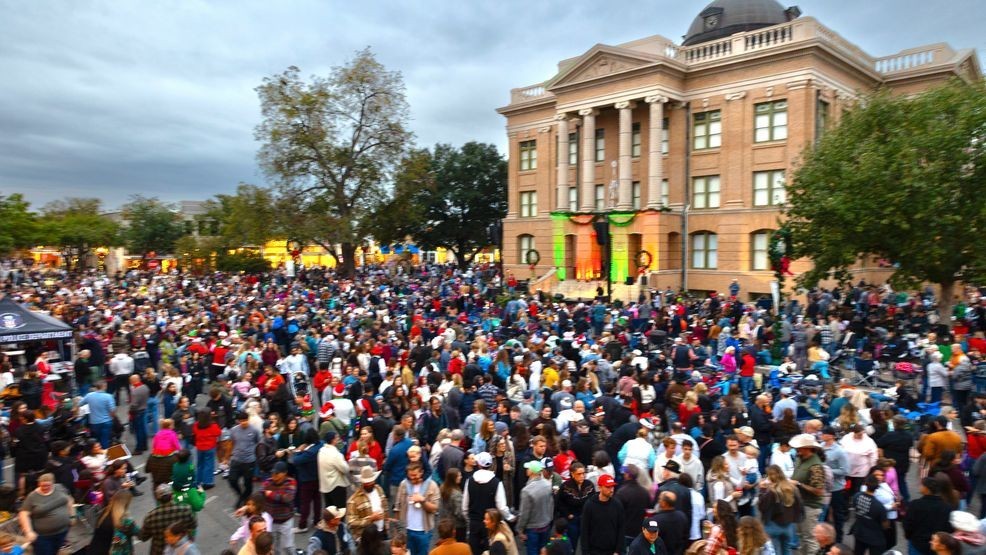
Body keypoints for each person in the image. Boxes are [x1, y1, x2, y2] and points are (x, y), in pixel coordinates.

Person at [462, 451, 512, 555]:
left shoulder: (469, 481)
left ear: (479, 464)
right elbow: (501, 507)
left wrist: (470, 518)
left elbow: (464, 507)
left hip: (474, 522)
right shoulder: (496, 482)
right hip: (491, 524)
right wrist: (509, 517)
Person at [17, 473, 73, 555]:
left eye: (48, 485)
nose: (45, 488)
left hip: (62, 531)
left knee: (55, 552)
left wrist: (72, 516)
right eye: (42, 485)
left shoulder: (60, 488)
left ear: (53, 483)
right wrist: (29, 531)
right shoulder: (32, 496)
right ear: (38, 484)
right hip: (43, 536)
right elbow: (23, 514)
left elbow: (69, 500)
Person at [789, 434, 826, 555]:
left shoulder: (816, 466)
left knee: (809, 538)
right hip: (800, 504)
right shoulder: (800, 459)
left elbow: (819, 490)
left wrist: (799, 484)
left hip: (810, 506)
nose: (796, 450)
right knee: (801, 536)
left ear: (807, 448)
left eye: (799, 448)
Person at [395, 462, 441, 555]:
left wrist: (422, 500)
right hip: (407, 529)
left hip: (424, 531)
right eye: (410, 475)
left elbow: (435, 508)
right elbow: (397, 506)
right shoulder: (404, 484)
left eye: (415, 475)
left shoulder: (432, 485)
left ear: (422, 472)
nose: (412, 477)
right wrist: (398, 530)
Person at [139, 483, 197, 555]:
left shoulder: (151, 516)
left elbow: (143, 537)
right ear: (172, 495)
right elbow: (193, 526)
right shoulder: (186, 509)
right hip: (181, 550)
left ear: (157, 499)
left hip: (158, 551)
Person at [757, 464, 803, 555]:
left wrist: (762, 490)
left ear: (770, 477)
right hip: (788, 526)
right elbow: (799, 506)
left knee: (775, 551)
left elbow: (762, 507)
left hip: (773, 526)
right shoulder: (792, 488)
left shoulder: (772, 492)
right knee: (787, 550)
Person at [903, 477, 955, 555]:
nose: (919, 486)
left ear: (926, 488)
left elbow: (908, 524)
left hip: (917, 543)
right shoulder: (946, 507)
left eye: (921, 485)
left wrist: (909, 536)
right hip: (937, 546)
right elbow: (949, 528)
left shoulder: (915, 504)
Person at [581, 474, 626, 555]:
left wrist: (618, 551)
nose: (611, 490)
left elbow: (621, 528)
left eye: (612, 487)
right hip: (594, 551)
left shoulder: (617, 505)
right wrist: (585, 552)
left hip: (612, 551)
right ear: (600, 487)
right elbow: (584, 530)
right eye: (608, 487)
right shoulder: (590, 505)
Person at [517, 460, 554, 555]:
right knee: (544, 550)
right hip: (546, 525)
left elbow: (524, 513)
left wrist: (520, 529)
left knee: (532, 551)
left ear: (532, 471)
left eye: (528, 468)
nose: (526, 469)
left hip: (533, 528)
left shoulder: (526, 491)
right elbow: (551, 505)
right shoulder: (548, 484)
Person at [292, 428, 324, 533]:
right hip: (317, 478)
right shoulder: (320, 445)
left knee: (305, 503)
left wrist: (298, 451)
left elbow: (296, 461)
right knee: (317, 500)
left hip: (307, 479)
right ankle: (316, 520)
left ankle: (303, 525)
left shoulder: (309, 452)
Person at [89, 490, 140, 555]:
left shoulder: (104, 512)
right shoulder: (122, 522)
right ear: (126, 504)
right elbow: (139, 534)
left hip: (94, 549)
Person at [229, 411, 262, 509]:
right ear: (238, 421)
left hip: (249, 461)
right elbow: (232, 442)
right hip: (236, 459)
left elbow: (258, 442)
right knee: (232, 480)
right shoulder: (234, 430)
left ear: (248, 419)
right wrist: (228, 456)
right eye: (241, 421)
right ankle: (241, 495)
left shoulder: (254, 430)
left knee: (248, 483)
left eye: (245, 420)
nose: (244, 422)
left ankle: (244, 499)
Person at [263, 461, 297, 555]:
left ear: (284, 473)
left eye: (277, 473)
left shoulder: (291, 482)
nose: (274, 475)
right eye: (273, 473)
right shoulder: (268, 482)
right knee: (273, 547)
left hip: (286, 521)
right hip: (272, 521)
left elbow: (287, 498)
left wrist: (271, 494)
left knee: (288, 547)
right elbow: (260, 494)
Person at [347, 466, 388, 544]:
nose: (369, 484)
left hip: (382, 531)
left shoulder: (379, 489)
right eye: (366, 482)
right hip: (366, 537)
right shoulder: (354, 500)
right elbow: (351, 522)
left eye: (370, 481)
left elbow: (384, 506)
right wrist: (370, 519)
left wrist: (386, 521)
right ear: (362, 482)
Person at [850, 475, 887, 555]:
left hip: (859, 533)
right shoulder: (879, 506)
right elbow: (885, 525)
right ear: (877, 487)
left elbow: (855, 508)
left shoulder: (856, 496)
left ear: (866, 484)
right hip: (875, 538)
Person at [319, 432, 351, 511]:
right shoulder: (335, 454)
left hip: (325, 485)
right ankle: (340, 524)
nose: (338, 439)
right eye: (337, 437)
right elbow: (345, 469)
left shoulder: (321, 451)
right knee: (340, 510)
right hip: (336, 485)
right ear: (333, 440)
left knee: (330, 511)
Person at [80, 380, 116, 448]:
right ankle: (105, 453)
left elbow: (79, 404)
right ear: (104, 387)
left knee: (97, 440)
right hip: (106, 421)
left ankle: (98, 452)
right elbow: (112, 410)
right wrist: (112, 417)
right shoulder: (108, 396)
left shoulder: (89, 395)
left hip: (94, 423)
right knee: (105, 439)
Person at [193, 410, 222, 489]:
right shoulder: (213, 425)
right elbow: (218, 433)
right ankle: (207, 482)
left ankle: (198, 481)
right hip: (210, 447)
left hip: (199, 447)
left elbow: (194, 432)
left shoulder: (196, 425)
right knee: (208, 465)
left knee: (200, 465)